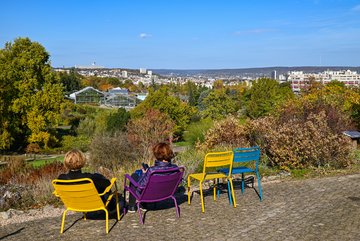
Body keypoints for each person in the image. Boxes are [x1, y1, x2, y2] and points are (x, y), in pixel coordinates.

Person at [127, 142, 178, 212]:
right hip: (166, 193)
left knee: (134, 176)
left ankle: (132, 206)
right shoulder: (175, 168)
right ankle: (144, 205)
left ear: (157, 155)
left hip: (151, 195)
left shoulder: (152, 170)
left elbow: (141, 186)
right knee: (141, 176)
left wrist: (144, 174)